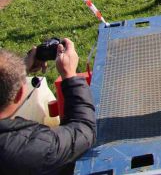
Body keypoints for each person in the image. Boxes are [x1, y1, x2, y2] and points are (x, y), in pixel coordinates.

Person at [0, 39, 96, 174]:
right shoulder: (27, 147)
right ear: (20, 93)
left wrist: (18, 71)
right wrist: (69, 75)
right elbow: (83, 132)